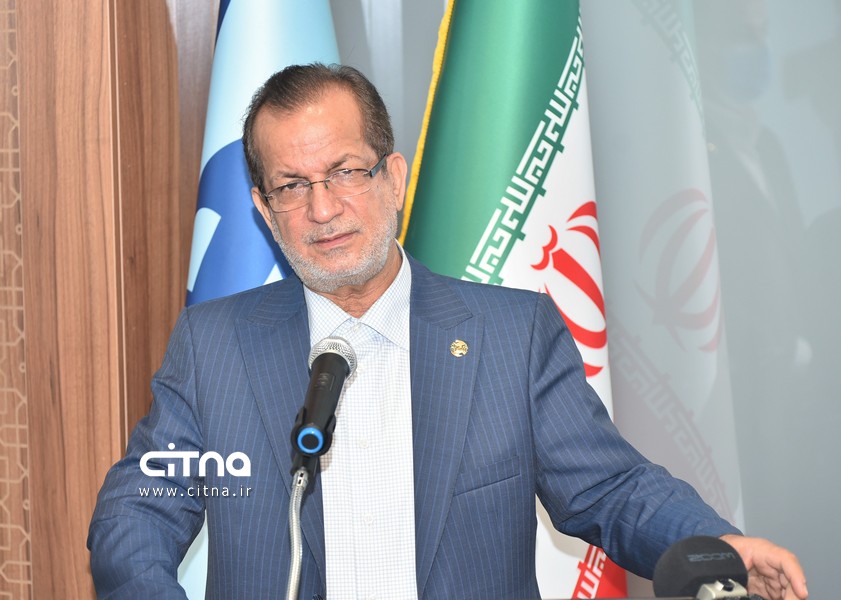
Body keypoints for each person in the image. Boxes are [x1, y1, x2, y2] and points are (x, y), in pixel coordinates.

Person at [88, 63, 808, 600]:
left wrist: (720, 547)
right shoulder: (214, 344)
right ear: (263, 208)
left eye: (344, 171)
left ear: (393, 177)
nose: (322, 209)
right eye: (292, 186)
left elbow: (611, 490)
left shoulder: (512, 336)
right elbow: (137, 512)